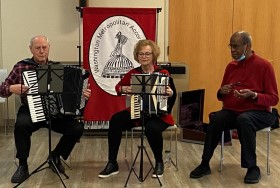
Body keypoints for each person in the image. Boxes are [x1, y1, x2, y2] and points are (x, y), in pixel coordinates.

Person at [189, 31, 279, 184]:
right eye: (230, 46)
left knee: (244, 119)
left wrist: (253, 95)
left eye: (236, 47)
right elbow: (221, 95)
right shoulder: (231, 67)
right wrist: (221, 91)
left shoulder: (264, 66)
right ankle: (205, 163)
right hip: (233, 111)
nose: (232, 51)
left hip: (259, 112)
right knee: (216, 119)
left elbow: (274, 98)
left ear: (247, 46)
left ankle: (252, 167)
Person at [0, 35, 91, 184]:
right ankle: (23, 165)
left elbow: (72, 95)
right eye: (38, 48)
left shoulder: (58, 68)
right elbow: (2, 89)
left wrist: (83, 95)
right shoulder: (21, 67)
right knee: (21, 125)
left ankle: (55, 156)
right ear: (31, 49)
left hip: (55, 113)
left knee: (77, 128)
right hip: (30, 109)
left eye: (44, 48)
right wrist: (11, 87)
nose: (42, 51)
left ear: (49, 49)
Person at [98, 39, 177, 178]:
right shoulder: (133, 73)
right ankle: (112, 163)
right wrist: (124, 88)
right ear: (137, 55)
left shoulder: (163, 72)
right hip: (137, 112)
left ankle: (159, 162)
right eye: (141, 54)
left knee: (152, 128)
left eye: (147, 53)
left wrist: (170, 93)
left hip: (159, 115)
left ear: (153, 55)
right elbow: (117, 88)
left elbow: (172, 94)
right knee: (116, 120)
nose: (144, 56)